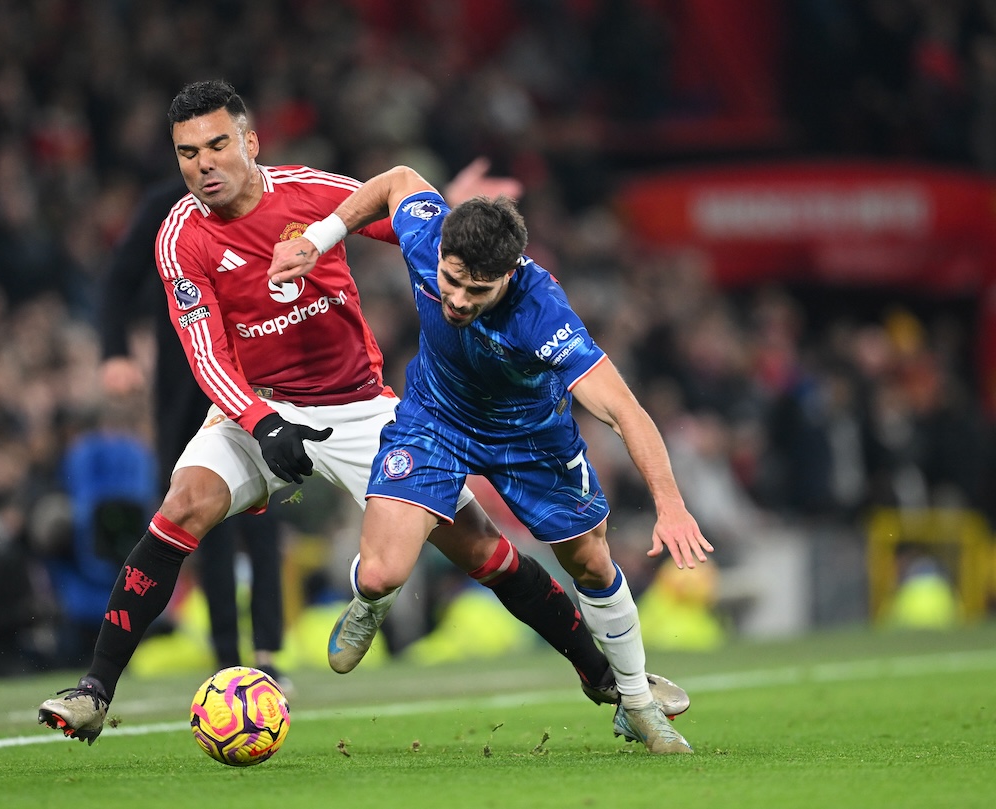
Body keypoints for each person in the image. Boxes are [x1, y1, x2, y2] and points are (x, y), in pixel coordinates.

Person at [37, 80, 688, 745]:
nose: (203, 165)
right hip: (256, 409)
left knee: (484, 550)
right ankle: (94, 691)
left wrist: (456, 207)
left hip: (360, 408)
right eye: (186, 153)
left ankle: (602, 677)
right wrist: (260, 421)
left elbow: (418, 227)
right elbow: (205, 355)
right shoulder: (180, 236)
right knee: (182, 505)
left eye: (217, 145)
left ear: (250, 142)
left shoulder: (313, 193)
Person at [269, 165, 715, 754]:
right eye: (450, 282)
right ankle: (368, 599)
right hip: (436, 421)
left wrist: (671, 505)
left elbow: (625, 411)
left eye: (476, 292)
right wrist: (320, 237)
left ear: (509, 274)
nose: (455, 299)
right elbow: (398, 179)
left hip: (530, 440)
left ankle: (635, 704)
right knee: (381, 573)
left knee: (590, 564)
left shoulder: (543, 314)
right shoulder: (429, 234)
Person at [98, 174, 287, 684]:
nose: (207, 162)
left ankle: (268, 650)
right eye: (193, 149)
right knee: (201, 516)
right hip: (186, 380)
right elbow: (118, 277)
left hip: (258, 372)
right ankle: (229, 654)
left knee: (266, 511)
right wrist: (114, 351)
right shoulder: (166, 207)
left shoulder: (268, 199)